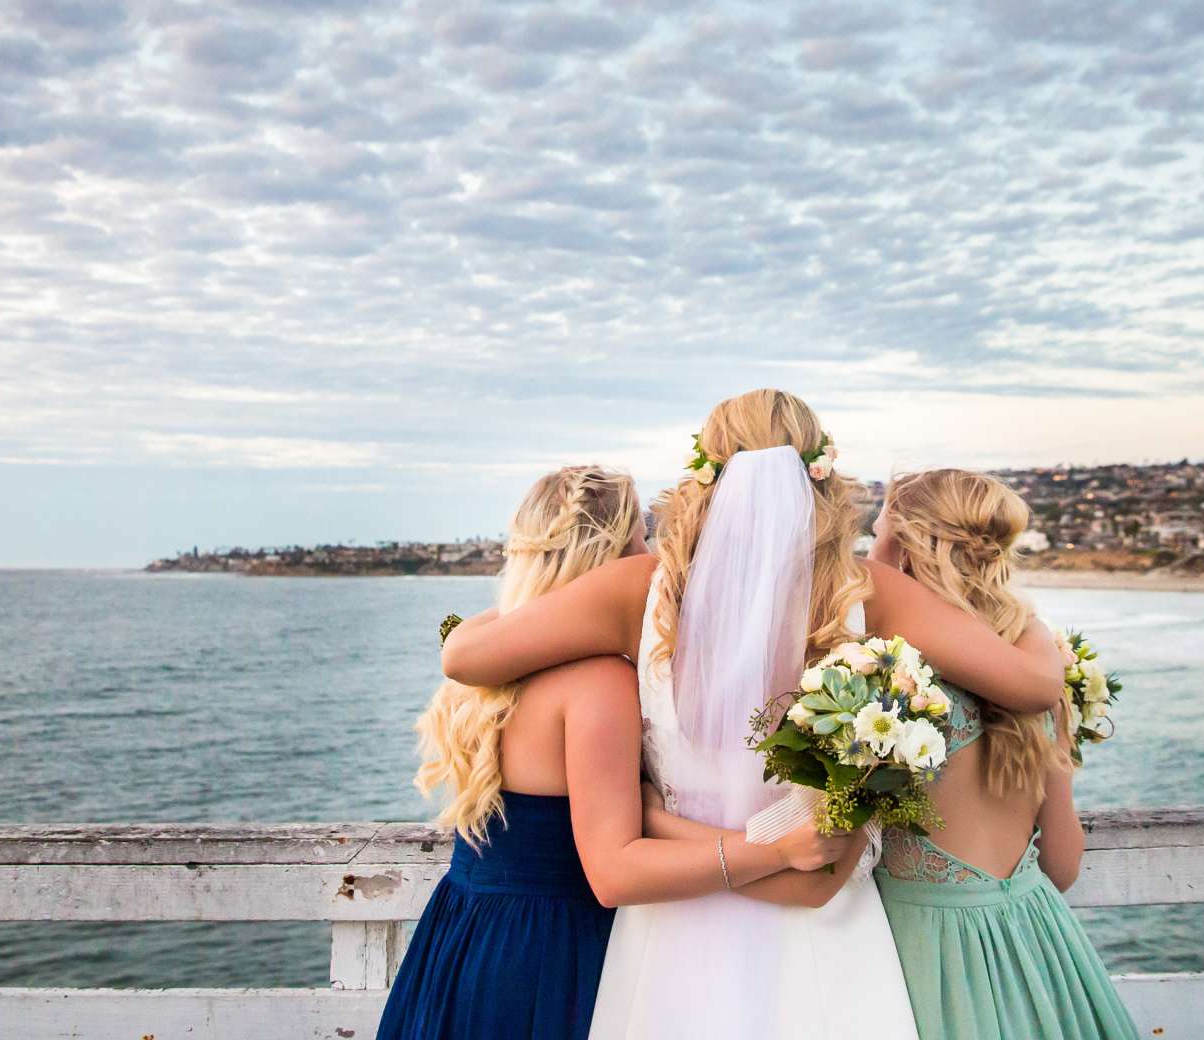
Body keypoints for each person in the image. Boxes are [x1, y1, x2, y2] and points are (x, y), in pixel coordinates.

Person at [440, 390, 1065, 1038]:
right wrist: (1030, 622)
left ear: (705, 473)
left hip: (673, 916)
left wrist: (540, 592)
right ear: (817, 473)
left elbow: (465, 656)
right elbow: (1033, 685)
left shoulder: (639, 589)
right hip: (822, 924)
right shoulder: (863, 594)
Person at [379, 463, 847, 1040]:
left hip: (462, 934)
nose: (651, 556)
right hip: (550, 955)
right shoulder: (596, 681)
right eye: (641, 540)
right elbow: (616, 869)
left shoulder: (487, 680)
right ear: (613, 557)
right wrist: (774, 850)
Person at [867, 468, 1140, 1040]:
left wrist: (881, 551)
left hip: (927, 950)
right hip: (1040, 941)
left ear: (909, 543)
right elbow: (1062, 867)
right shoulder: (1036, 662)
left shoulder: (892, 679)